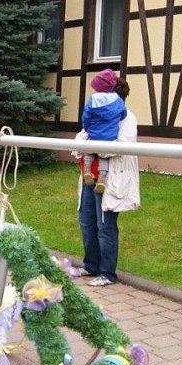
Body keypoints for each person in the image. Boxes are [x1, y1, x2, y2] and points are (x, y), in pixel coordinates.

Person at [73, 78, 140, 287]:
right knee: (86, 222)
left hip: (110, 179)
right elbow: (78, 140)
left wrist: (93, 146)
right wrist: (89, 145)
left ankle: (107, 272)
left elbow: (120, 147)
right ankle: (91, 265)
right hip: (88, 177)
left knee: (105, 226)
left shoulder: (127, 118)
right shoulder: (96, 113)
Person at [81, 68, 128, 194]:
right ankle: (102, 178)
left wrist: (87, 127)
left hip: (94, 135)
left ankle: (87, 170)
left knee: (89, 153)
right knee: (104, 158)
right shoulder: (118, 100)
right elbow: (123, 114)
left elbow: (86, 116)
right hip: (109, 137)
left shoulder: (93, 99)